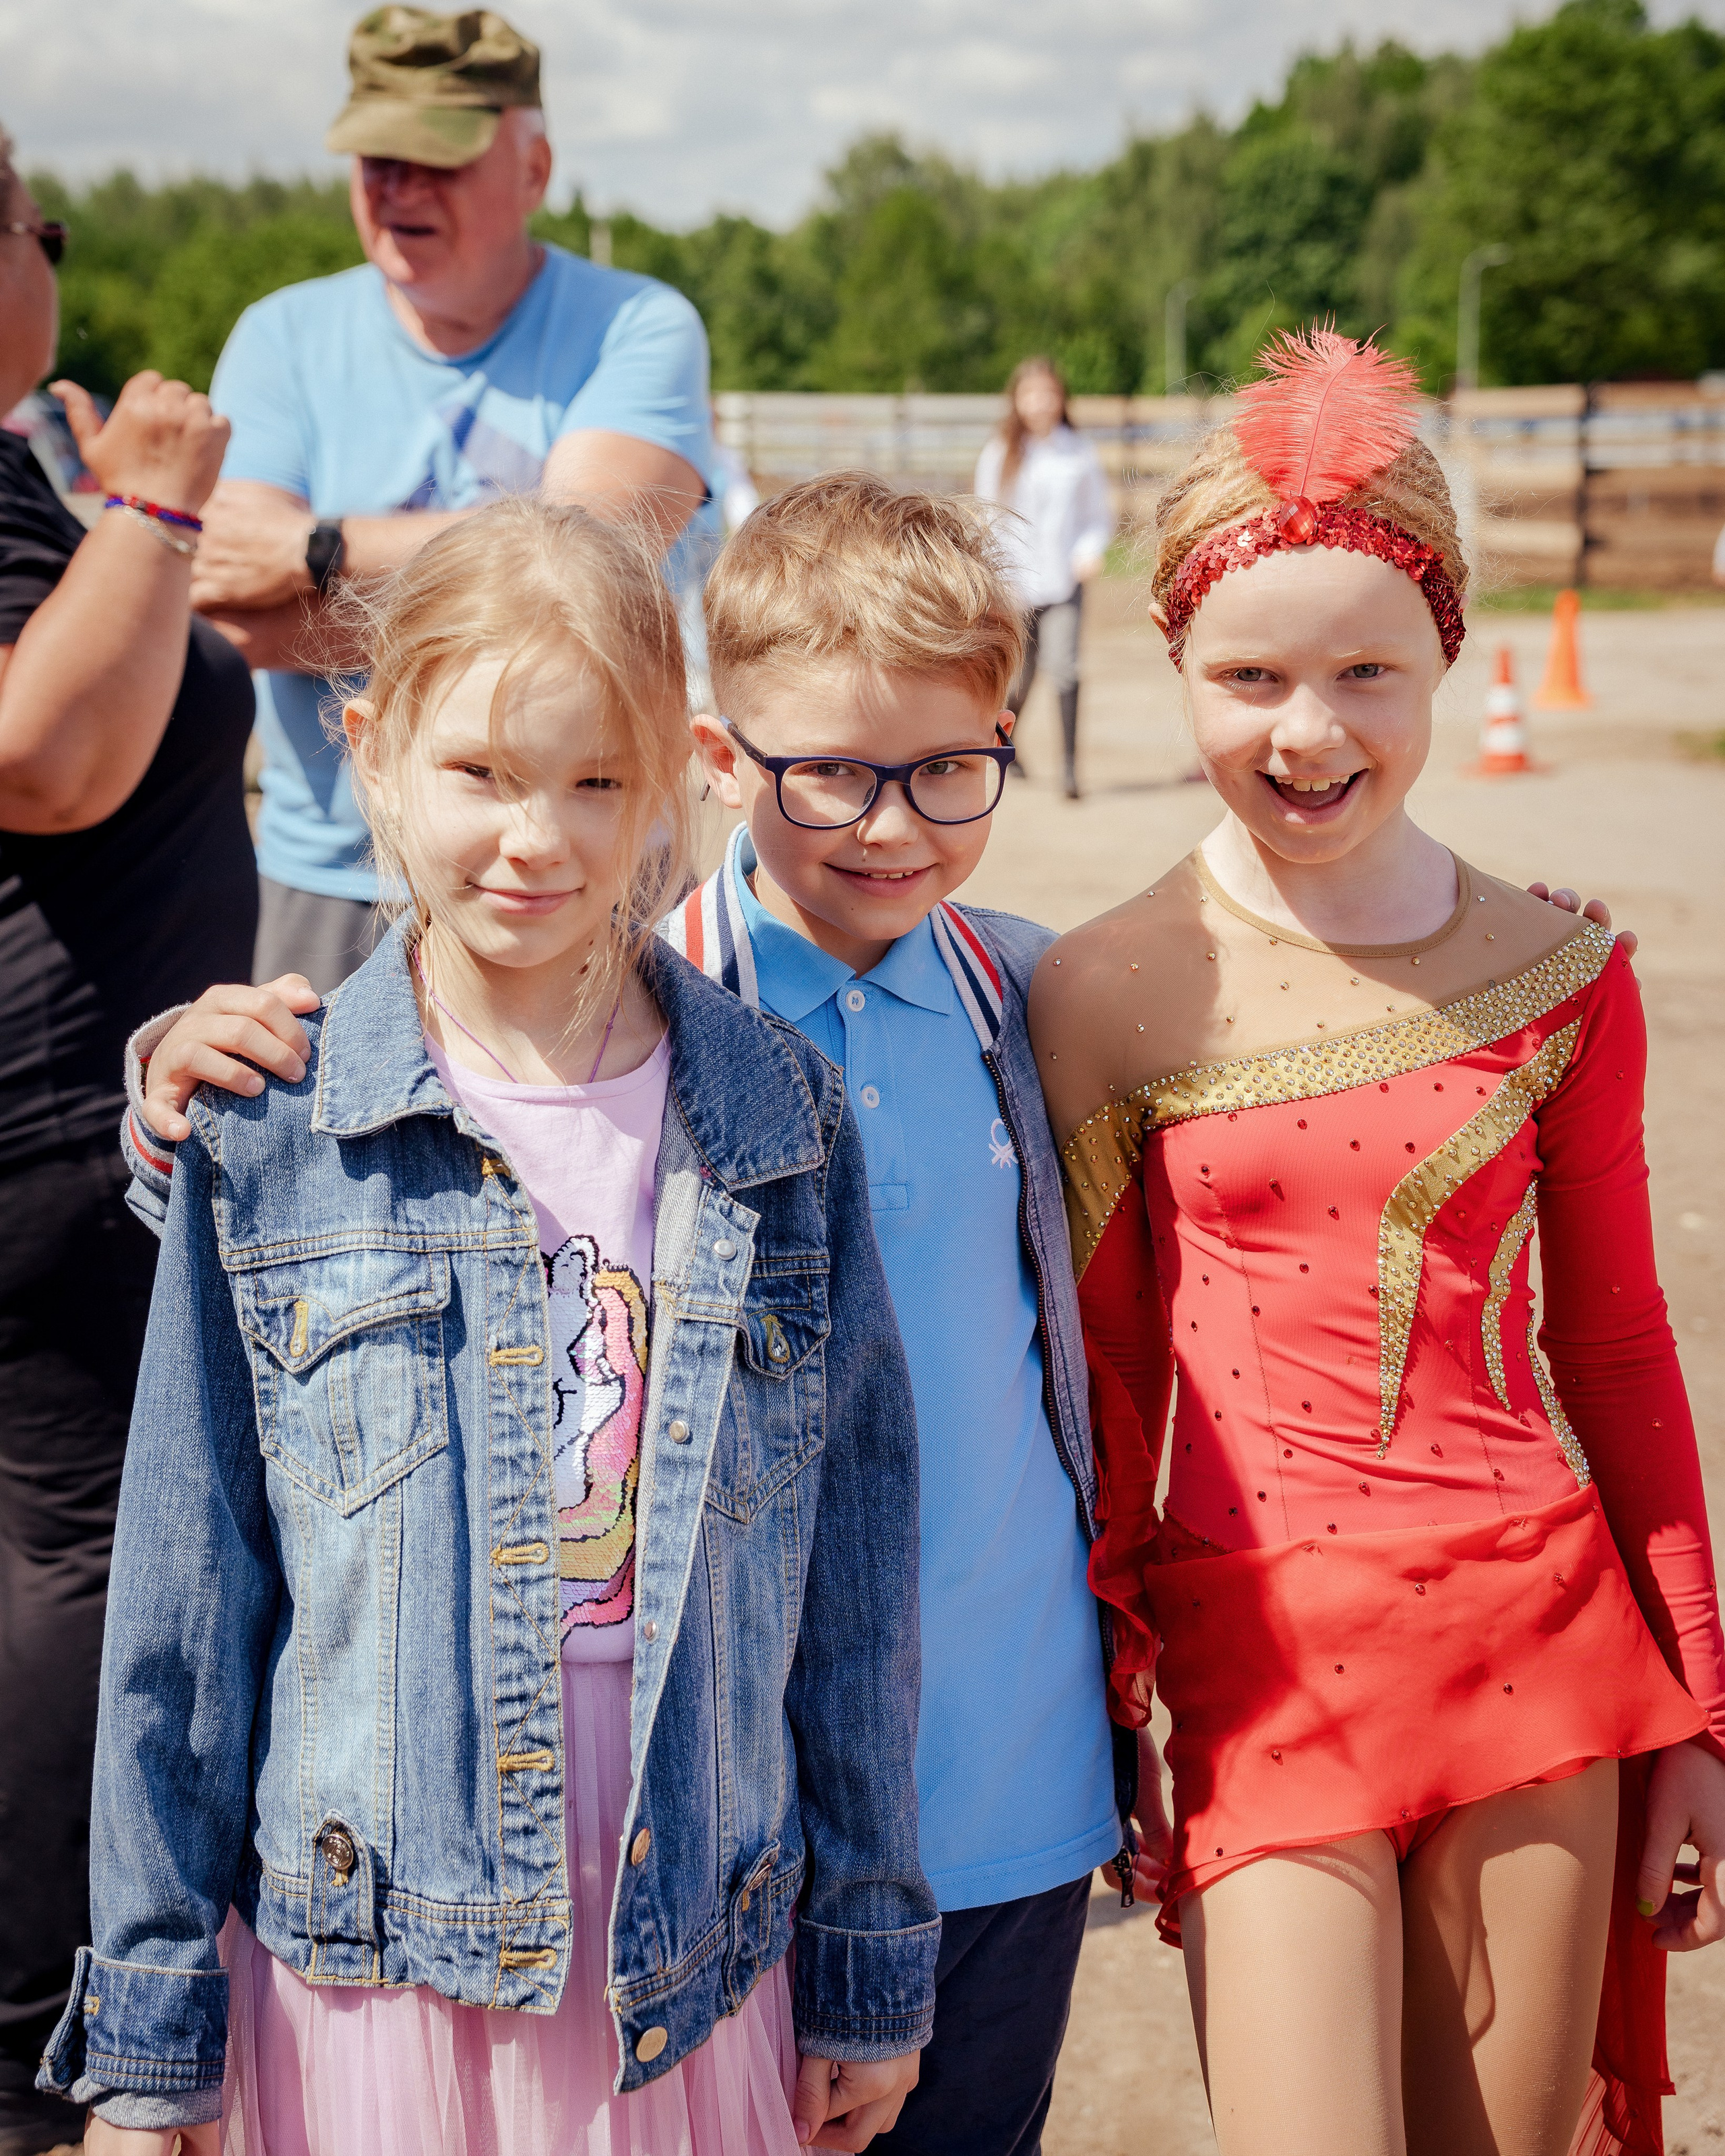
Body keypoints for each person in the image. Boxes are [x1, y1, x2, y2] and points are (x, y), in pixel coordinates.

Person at [38, 497, 935, 2155]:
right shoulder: (270, 1126)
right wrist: (156, 2030)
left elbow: (855, 1583)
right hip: (379, 1949)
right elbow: (182, 1603)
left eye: (596, 779)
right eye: (482, 775)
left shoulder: (780, 1122)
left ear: (675, 767)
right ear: (372, 754)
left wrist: (867, 1951)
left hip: (688, 1929)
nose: (538, 836)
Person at [1032, 328, 1725, 2155]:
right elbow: (1097, 1400)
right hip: (1261, 1662)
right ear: (1173, 662)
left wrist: (1702, 1716)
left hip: (1536, 1643)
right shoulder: (1103, 991)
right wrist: (1105, 1708)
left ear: (1451, 665)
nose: (1309, 729)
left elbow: (1623, 1353)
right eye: (1251, 673)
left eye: (1369, 670)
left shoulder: (1564, 972)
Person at [191, 5, 717, 994]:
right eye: (375, 160)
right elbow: (232, 616)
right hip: (341, 883)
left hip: (589, 866)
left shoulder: (637, 325)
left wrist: (318, 552)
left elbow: (598, 553)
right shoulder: (280, 337)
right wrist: (533, 606)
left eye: (435, 160)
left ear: (534, 170)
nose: (398, 189)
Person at [0, 131, 255, 2156]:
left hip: (87, 1122)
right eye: (29, 226)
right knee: (81, 1558)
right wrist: (156, 492)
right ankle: (41, 2038)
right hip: (53, 1137)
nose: (58, 259)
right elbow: (46, 752)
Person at [973, 358, 1112, 802]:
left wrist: (1089, 552)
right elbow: (987, 516)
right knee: (1020, 675)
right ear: (1016, 400)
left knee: (1066, 665)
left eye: (1048, 394)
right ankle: (1003, 748)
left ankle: (1070, 771)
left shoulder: (1079, 453)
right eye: (1030, 395)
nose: (1040, 404)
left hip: (1064, 579)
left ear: (1061, 399)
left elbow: (1096, 515)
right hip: (1015, 583)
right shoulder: (1001, 453)